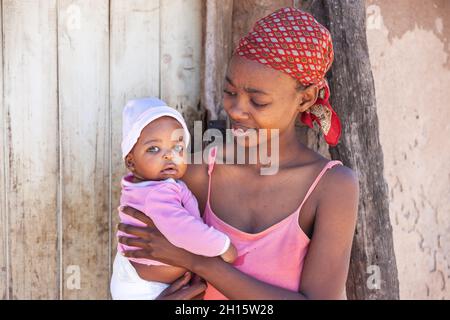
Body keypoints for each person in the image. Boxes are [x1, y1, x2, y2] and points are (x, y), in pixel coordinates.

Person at [117, 7, 359, 300]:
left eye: (257, 101)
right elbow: (139, 266)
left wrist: (200, 262)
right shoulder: (197, 172)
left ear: (305, 98)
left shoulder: (332, 187)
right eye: (230, 92)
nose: (235, 109)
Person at [110, 98, 237, 300]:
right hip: (145, 290)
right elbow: (182, 229)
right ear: (131, 162)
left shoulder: (148, 186)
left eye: (177, 148)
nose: (169, 156)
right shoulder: (157, 193)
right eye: (154, 149)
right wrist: (223, 246)